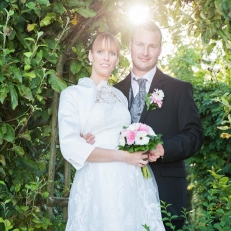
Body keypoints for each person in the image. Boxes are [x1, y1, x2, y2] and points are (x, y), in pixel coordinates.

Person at [85, 22, 204, 230]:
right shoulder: (113, 92)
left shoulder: (179, 89)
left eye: (152, 46)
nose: (145, 52)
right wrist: (88, 137)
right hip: (119, 195)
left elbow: (194, 135)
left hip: (165, 195)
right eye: (140, 44)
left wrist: (163, 148)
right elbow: (99, 133)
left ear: (160, 49)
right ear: (130, 46)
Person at [58, 32, 165, 231]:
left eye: (112, 53)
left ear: (117, 59)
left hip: (131, 179)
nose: (106, 58)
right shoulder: (72, 94)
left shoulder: (120, 97)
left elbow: (124, 133)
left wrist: (144, 146)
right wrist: (123, 156)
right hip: (98, 179)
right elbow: (70, 144)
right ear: (90, 55)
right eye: (100, 51)